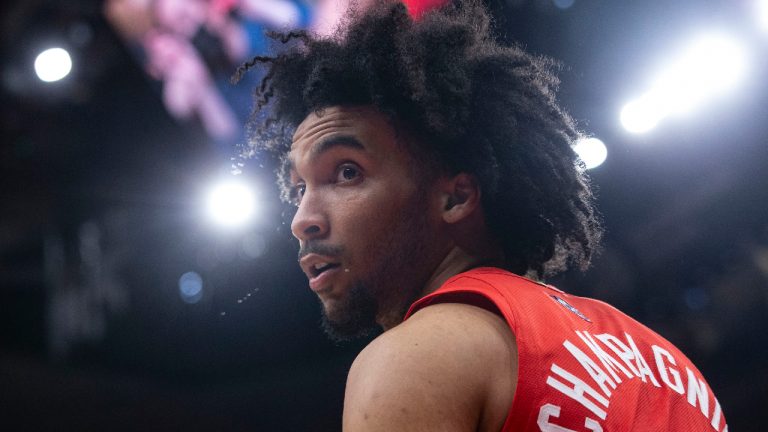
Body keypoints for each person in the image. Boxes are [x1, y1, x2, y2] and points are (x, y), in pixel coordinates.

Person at [238, 0, 729, 430]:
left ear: (455, 198)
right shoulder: (671, 366)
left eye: (347, 172)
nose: (302, 220)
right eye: (298, 188)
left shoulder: (416, 358)